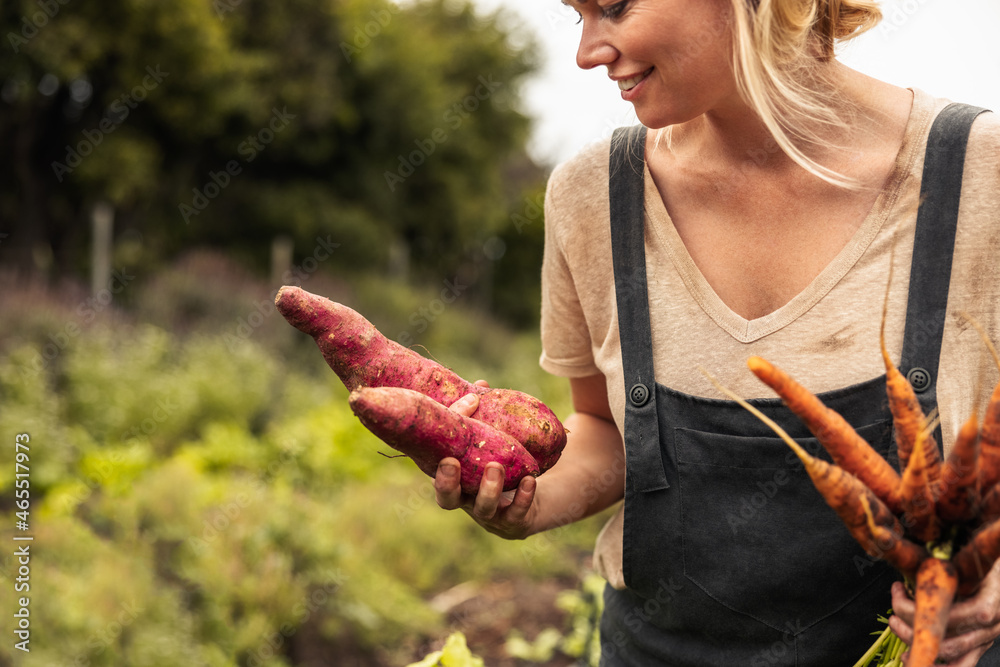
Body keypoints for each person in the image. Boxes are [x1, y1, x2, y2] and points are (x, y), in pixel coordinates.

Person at [435, 1, 1000, 664]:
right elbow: (607, 430)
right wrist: (529, 501)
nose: (587, 52)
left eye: (613, 6)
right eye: (575, 15)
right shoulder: (592, 197)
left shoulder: (978, 176)